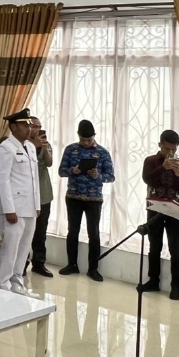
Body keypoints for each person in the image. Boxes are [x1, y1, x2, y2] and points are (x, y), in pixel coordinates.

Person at [57, 119, 115, 281]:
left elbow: (111, 176)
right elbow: (61, 171)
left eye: (89, 140)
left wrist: (98, 176)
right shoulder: (71, 150)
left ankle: (93, 269)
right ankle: (72, 265)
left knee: (94, 234)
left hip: (94, 199)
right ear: (78, 136)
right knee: (72, 231)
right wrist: (73, 170)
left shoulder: (102, 152)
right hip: (73, 197)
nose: (86, 143)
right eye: (83, 140)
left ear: (94, 137)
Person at [140, 129, 179, 300]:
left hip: (175, 210)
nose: (170, 152)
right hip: (155, 207)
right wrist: (163, 168)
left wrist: (178, 174)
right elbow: (147, 179)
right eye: (166, 148)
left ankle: (176, 286)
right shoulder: (150, 161)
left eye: (173, 149)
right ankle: (153, 280)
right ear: (159, 145)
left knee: (175, 248)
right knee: (154, 245)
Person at [0, 109, 40, 295]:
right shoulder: (6, 148)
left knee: (24, 247)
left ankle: (17, 282)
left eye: (29, 125)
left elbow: (34, 179)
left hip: (29, 207)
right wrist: (9, 209)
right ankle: (3, 284)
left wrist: (37, 205)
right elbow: (3, 180)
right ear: (13, 127)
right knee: (11, 247)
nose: (28, 128)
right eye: (24, 125)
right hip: (14, 207)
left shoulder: (30, 147)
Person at [28, 117, 55, 278]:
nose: (37, 130)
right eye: (34, 126)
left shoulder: (46, 144)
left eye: (39, 127)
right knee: (24, 231)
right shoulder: (23, 145)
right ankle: (21, 263)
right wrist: (34, 145)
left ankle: (39, 263)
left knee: (41, 231)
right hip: (26, 194)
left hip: (43, 193)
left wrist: (44, 149)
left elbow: (49, 163)